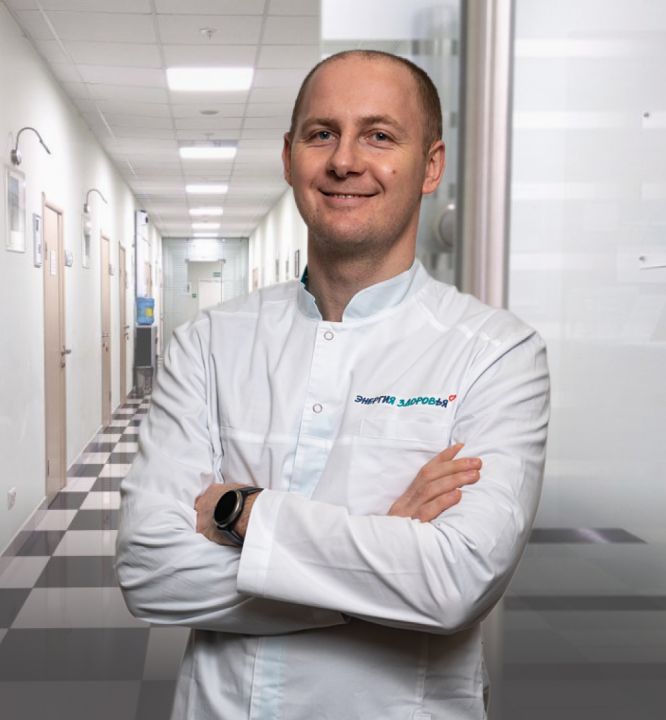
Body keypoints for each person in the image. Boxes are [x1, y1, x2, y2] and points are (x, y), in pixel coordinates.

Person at [116, 50, 549, 720]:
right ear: (289, 157)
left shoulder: (496, 354)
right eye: (322, 134)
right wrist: (384, 552)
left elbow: (455, 581)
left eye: (379, 135)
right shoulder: (207, 342)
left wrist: (243, 513)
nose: (345, 160)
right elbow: (151, 572)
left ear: (430, 166)